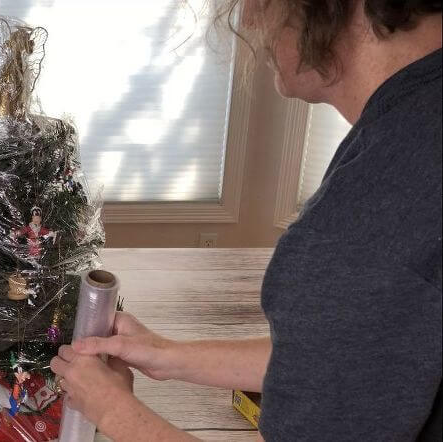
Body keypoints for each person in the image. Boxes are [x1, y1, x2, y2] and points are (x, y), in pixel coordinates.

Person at [50, 1, 442, 440]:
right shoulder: (415, 124)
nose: (248, 20)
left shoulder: (363, 223)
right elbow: (352, 360)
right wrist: (168, 354)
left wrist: (114, 409)